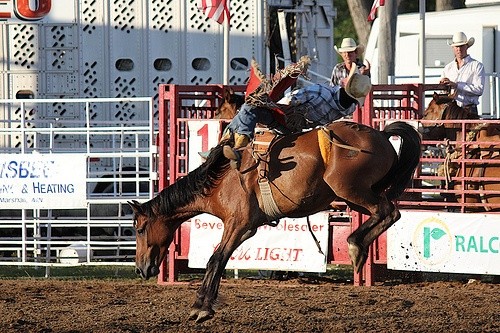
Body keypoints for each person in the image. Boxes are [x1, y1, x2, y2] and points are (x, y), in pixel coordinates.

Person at [222, 65, 372, 169]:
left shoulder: (320, 92)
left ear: (347, 84)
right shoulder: (348, 108)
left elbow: (289, 100)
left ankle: (235, 147)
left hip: (285, 123)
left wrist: (271, 102)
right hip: (302, 132)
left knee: (249, 107)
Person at [439, 32, 485, 116]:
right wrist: (443, 86)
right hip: (452, 110)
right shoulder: (448, 68)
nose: (459, 49)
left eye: (461, 46)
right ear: (453, 48)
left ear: (467, 47)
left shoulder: (477, 65)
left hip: (469, 110)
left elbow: (479, 90)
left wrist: (456, 85)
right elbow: (443, 92)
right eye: (457, 46)